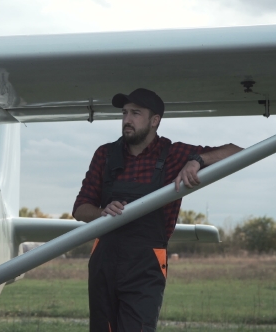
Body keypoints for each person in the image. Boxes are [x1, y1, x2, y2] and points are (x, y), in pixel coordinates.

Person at [72, 88, 242, 332]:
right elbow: (80, 209)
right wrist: (102, 213)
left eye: (136, 113)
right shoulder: (105, 154)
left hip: (146, 266)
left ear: (155, 121)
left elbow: (237, 152)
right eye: (125, 113)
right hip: (104, 264)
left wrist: (198, 161)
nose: (127, 120)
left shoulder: (174, 154)